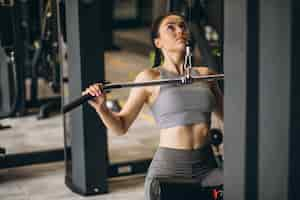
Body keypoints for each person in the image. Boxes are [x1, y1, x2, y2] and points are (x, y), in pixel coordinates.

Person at [82, 13, 223, 200]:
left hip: (207, 166)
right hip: (170, 170)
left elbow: (231, 118)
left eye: (182, 26)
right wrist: (102, 108)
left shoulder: (206, 75)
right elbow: (121, 126)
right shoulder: (149, 78)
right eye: (170, 27)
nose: (180, 30)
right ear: (158, 43)